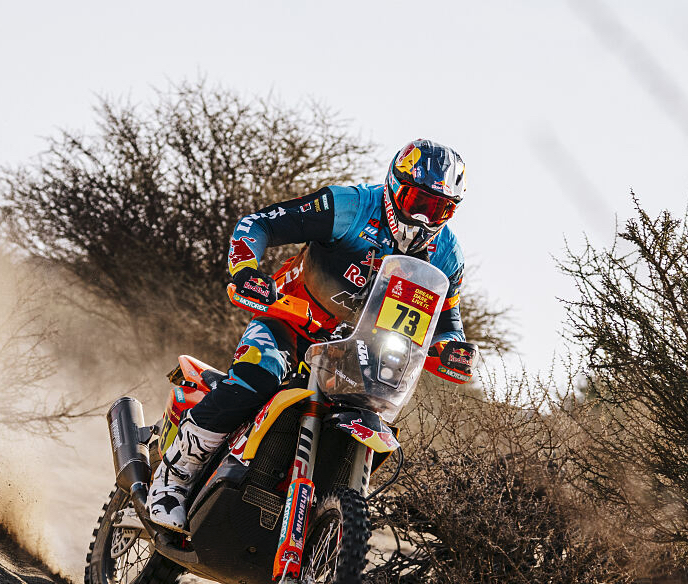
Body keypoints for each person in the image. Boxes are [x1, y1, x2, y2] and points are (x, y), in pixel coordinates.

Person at [149, 139, 477, 532]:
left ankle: (324, 518)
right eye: (418, 201)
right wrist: (246, 271)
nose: (425, 218)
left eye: (439, 209)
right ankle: (173, 478)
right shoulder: (349, 207)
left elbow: (446, 318)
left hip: (356, 354)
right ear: (394, 185)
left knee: (371, 417)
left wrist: (450, 347)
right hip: (289, 321)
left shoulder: (447, 254)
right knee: (258, 379)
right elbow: (260, 223)